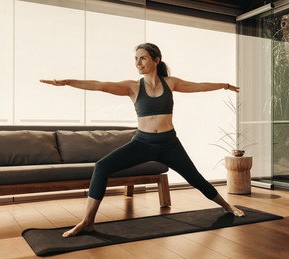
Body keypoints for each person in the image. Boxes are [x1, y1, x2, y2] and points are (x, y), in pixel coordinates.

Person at [40, 43, 245, 238]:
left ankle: (227, 206)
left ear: (156, 60)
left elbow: (198, 86)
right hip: (142, 143)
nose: (138, 63)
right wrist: (67, 82)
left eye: (143, 58)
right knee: (102, 166)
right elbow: (99, 85)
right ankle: (87, 221)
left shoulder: (170, 83)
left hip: (169, 143)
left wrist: (225, 85)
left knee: (195, 177)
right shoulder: (132, 87)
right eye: (136, 59)